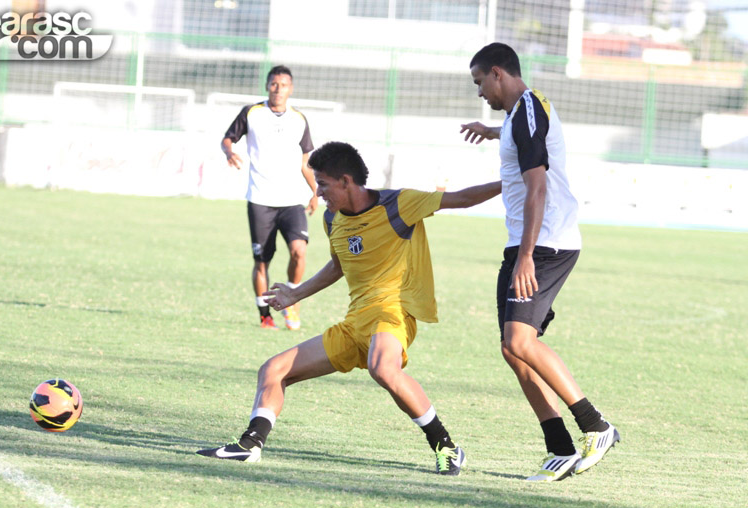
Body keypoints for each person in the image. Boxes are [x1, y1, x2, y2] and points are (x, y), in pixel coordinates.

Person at [198, 141, 502, 475]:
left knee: (383, 369)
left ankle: (446, 447)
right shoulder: (332, 218)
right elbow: (337, 265)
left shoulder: (399, 204)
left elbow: (461, 198)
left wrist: (511, 181)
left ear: (346, 181)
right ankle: (249, 445)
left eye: (323, 184)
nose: (318, 191)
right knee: (272, 370)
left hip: (394, 313)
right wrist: (297, 294)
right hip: (355, 322)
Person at [460, 42, 620, 482]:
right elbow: (521, 135)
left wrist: (527, 256)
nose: (480, 95)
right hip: (526, 243)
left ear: (498, 73)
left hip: (545, 243)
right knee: (512, 349)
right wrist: (491, 131)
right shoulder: (520, 114)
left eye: (480, 83)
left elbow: (538, 188)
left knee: (520, 341)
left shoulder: (528, 112)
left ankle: (595, 425)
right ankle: (561, 447)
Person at [221, 65, 319, 331]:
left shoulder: (298, 119)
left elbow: (305, 162)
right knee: (262, 261)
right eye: (274, 84)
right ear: (267, 86)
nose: (278, 89)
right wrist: (229, 152)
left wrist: (315, 191)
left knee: (299, 251)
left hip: (291, 201)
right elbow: (228, 139)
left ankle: (293, 301)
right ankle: (265, 315)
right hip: (260, 200)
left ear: (291, 89)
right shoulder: (252, 113)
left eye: (283, 85)